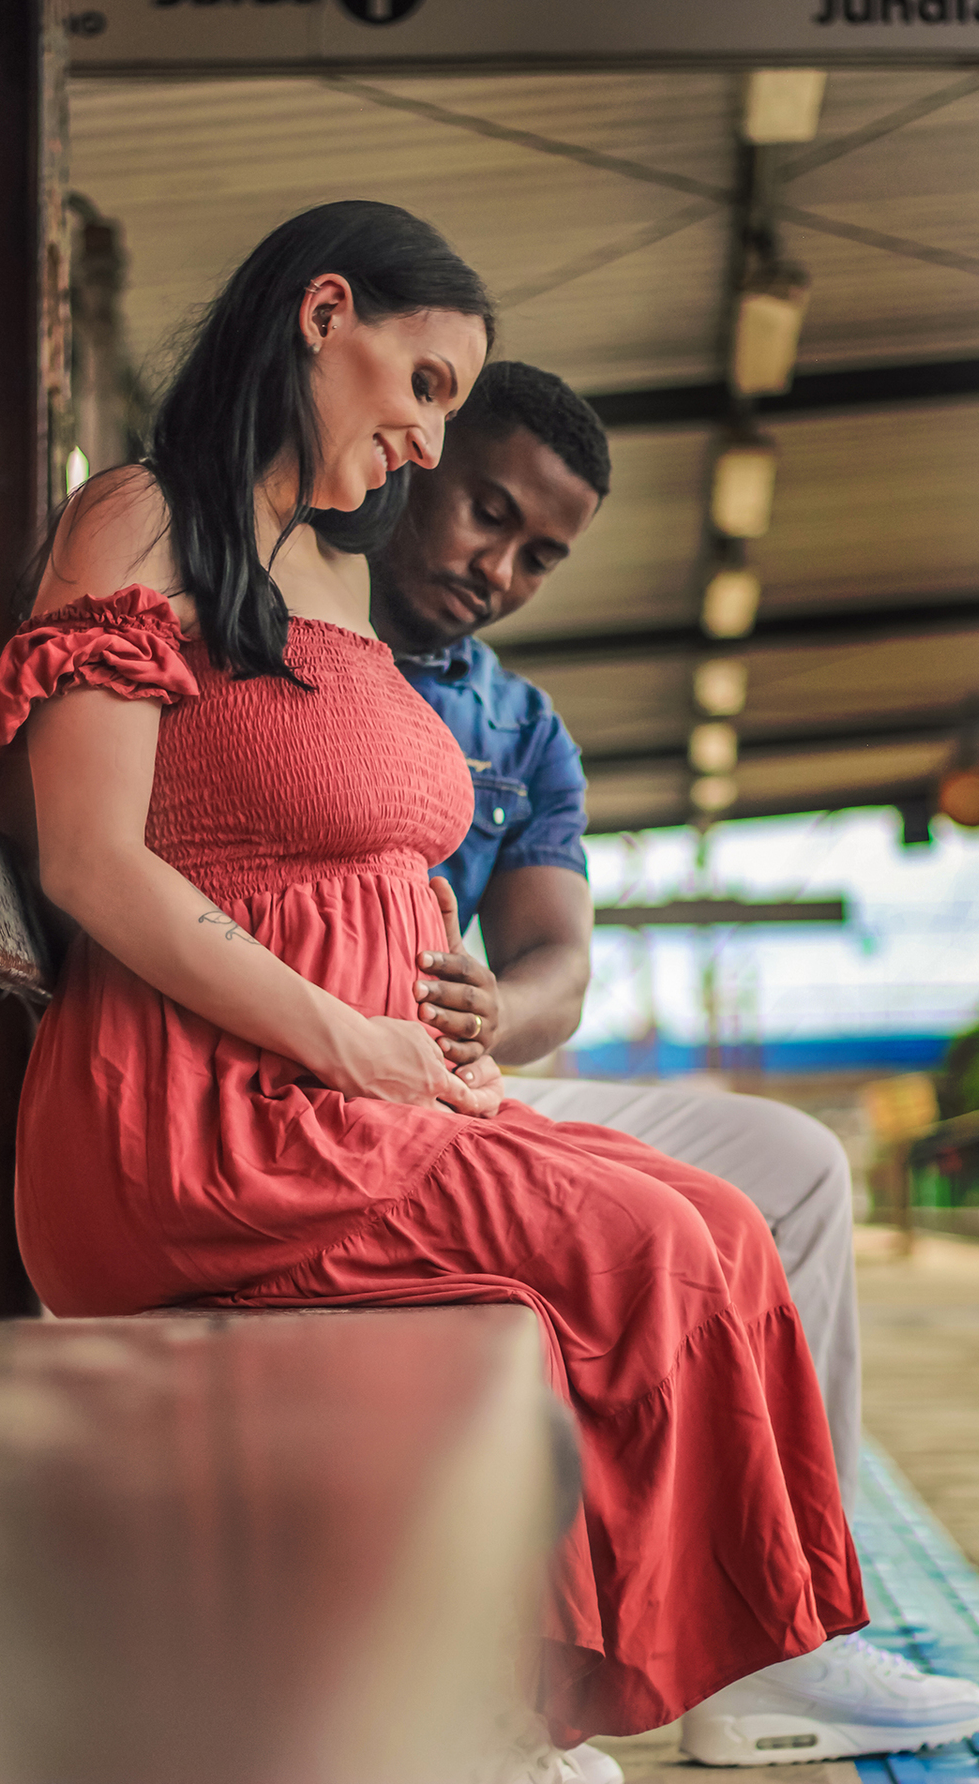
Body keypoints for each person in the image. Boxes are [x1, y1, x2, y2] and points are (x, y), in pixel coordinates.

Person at [0, 202, 979, 1781]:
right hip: (208, 1116)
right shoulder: (139, 522)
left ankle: (704, 1666)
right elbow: (99, 866)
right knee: (659, 1239)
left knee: (718, 1220)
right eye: (428, 385)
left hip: (359, 1096)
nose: (426, 435)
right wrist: (357, 1040)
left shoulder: (328, 570)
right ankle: (577, 1693)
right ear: (325, 314)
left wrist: (420, 1017)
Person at [364, 361, 862, 1509]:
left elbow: (561, 968)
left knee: (798, 1168)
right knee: (666, 1233)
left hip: (464, 1082)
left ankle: (810, 1595)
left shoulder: (524, 732)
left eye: (540, 555)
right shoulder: (277, 630)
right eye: (491, 514)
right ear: (423, 460)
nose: (501, 570)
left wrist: (500, 1014)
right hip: (327, 1089)